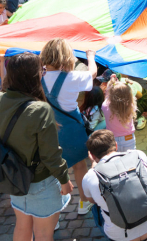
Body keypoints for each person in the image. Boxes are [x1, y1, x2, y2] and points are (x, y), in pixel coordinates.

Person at [0, 53, 73, 241]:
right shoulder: (39, 109)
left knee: (22, 227)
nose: (43, 73)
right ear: (35, 75)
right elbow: (51, 155)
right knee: (43, 234)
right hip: (40, 181)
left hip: (12, 177)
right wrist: (64, 179)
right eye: (43, 70)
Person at [40, 38, 97, 215]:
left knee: (54, 170)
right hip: (72, 129)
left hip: (48, 129)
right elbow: (92, 74)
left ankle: (53, 214)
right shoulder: (72, 77)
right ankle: (84, 202)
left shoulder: (38, 77)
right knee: (80, 166)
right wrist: (90, 56)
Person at [82, 130, 147, 241]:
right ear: (116, 145)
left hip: (121, 235)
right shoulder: (138, 155)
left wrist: (93, 167)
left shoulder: (90, 176)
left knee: (95, 208)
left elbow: (91, 200)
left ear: (91, 155)